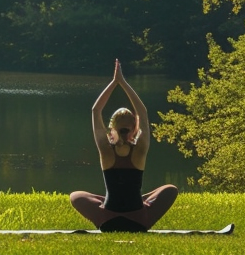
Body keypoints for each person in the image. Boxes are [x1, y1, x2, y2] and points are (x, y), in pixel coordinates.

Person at [68, 59, 178, 232]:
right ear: (135, 128)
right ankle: (141, 206)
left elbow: (95, 110)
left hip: (107, 221)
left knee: (76, 196)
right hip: (139, 222)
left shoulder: (105, 149)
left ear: (112, 128)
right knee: (170, 189)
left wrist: (114, 82)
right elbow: (143, 112)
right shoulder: (140, 149)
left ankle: (109, 206)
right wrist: (123, 82)